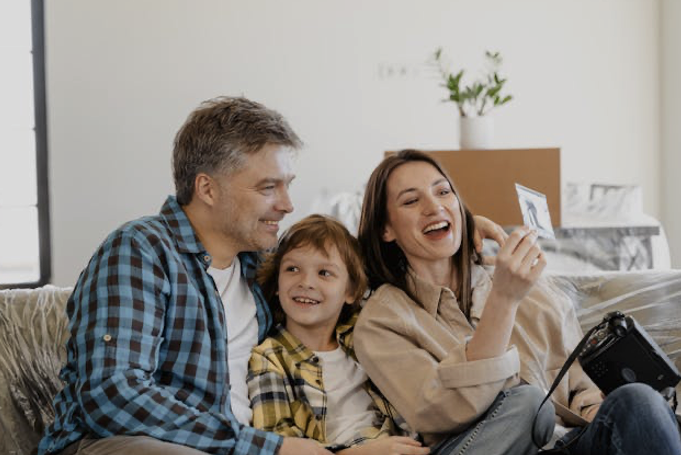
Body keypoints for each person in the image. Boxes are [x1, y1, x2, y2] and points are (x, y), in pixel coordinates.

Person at [38, 96, 330, 455]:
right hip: (119, 444)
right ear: (207, 189)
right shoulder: (141, 249)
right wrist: (266, 447)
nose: (287, 205)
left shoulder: (266, 263)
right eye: (268, 187)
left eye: (288, 184)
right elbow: (112, 395)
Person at [354, 149, 681, 455]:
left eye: (443, 192)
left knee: (640, 400)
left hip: (569, 443)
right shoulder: (382, 321)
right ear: (385, 229)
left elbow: (580, 386)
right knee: (525, 402)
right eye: (411, 201)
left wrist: (600, 407)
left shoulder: (531, 287)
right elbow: (439, 414)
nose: (434, 206)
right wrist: (504, 300)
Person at [248, 214, 429, 455]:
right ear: (277, 283)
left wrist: (470, 230)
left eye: (324, 273)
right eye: (292, 268)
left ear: (351, 291)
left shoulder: (365, 333)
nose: (306, 282)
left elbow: (400, 269)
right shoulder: (269, 357)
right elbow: (279, 444)